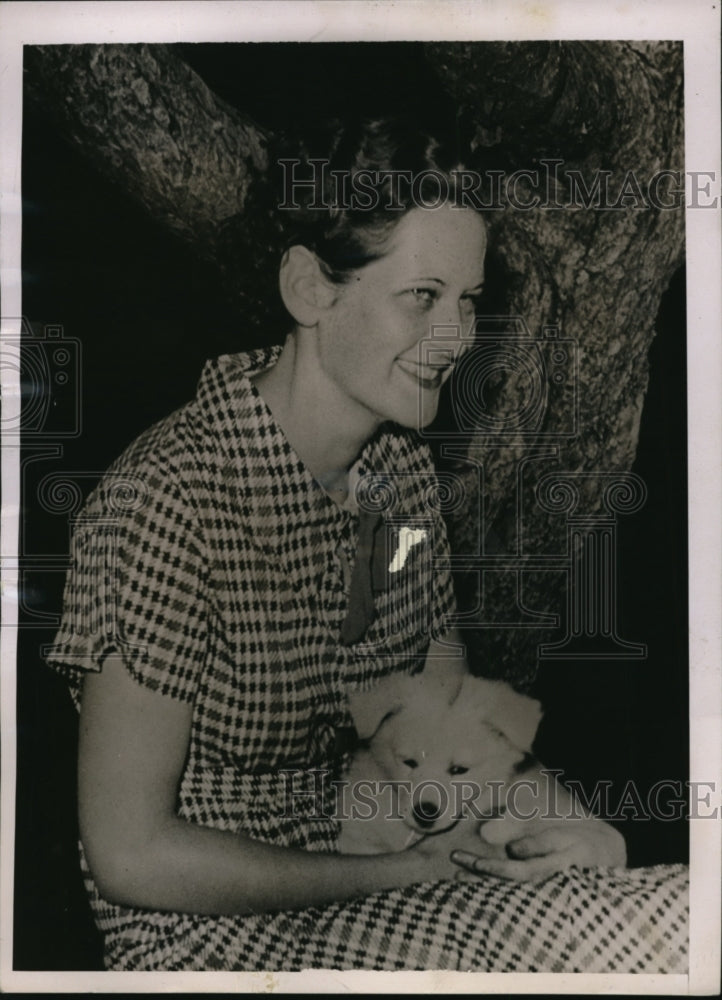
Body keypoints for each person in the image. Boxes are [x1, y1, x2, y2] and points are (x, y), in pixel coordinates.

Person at [47, 116, 687, 972]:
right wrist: (396, 872)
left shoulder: (402, 482)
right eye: (422, 296)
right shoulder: (165, 503)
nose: (458, 338)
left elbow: (453, 722)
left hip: (383, 868)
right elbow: (131, 857)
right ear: (311, 289)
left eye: (468, 300)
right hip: (210, 939)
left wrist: (578, 824)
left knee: (679, 902)